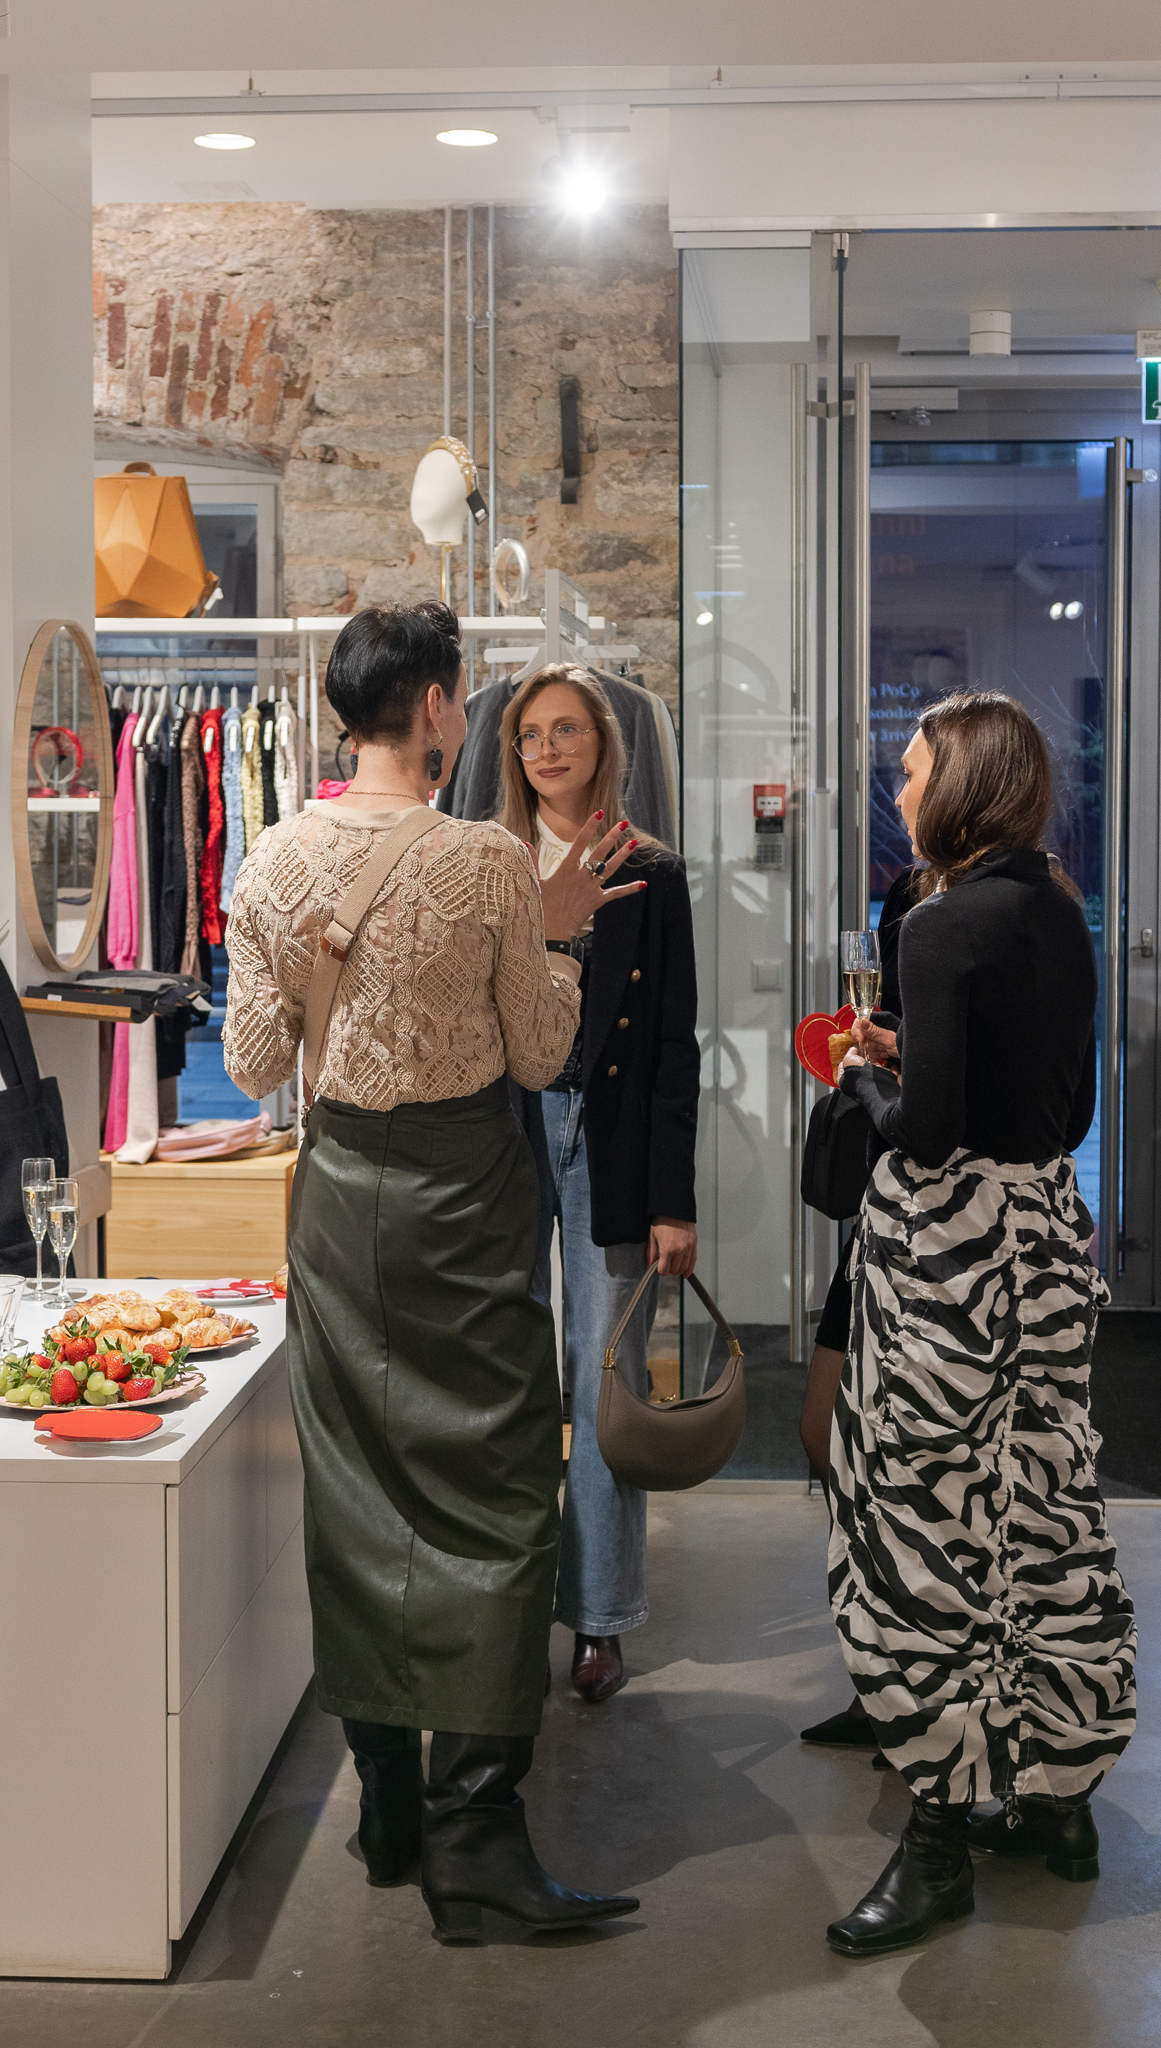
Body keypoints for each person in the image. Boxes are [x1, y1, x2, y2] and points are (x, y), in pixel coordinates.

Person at [222, 602, 647, 1947]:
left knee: (359, 1488)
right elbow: (538, 1054)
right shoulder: (485, 862)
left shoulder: (272, 858)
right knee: (498, 1485)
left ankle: (388, 1810)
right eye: (460, 696)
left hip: (339, 1201)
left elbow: (251, 1061)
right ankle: (476, 1836)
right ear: (433, 707)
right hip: (463, 1197)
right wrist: (558, 934)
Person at [824, 691, 1136, 1959]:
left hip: (946, 1259)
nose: (897, 791)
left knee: (924, 1522)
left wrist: (865, 1073)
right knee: (1040, 1509)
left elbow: (927, 1130)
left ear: (956, 784)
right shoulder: (1058, 907)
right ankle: (1060, 1802)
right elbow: (1064, 1116)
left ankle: (937, 1836)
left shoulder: (937, 921)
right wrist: (927, 1060)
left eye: (908, 772)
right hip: (1044, 1243)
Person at [496, 664, 698, 1704]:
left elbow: (672, 1045)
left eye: (565, 729)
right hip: (505, 1131)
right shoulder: (488, 862)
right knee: (508, 1373)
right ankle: (502, 1605)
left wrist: (673, 1200)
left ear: (602, 742)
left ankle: (599, 1618)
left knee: (603, 1380)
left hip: (609, 1134)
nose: (546, 749)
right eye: (530, 734)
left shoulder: (649, 869)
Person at [797, 865, 917, 1751]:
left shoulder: (997, 913)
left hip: (938, 1227)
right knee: (822, 1430)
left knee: (911, 1461)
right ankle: (881, 1664)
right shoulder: (912, 895)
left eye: (913, 793)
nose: (902, 802)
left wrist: (886, 1061)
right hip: (881, 1205)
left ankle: (912, 1681)